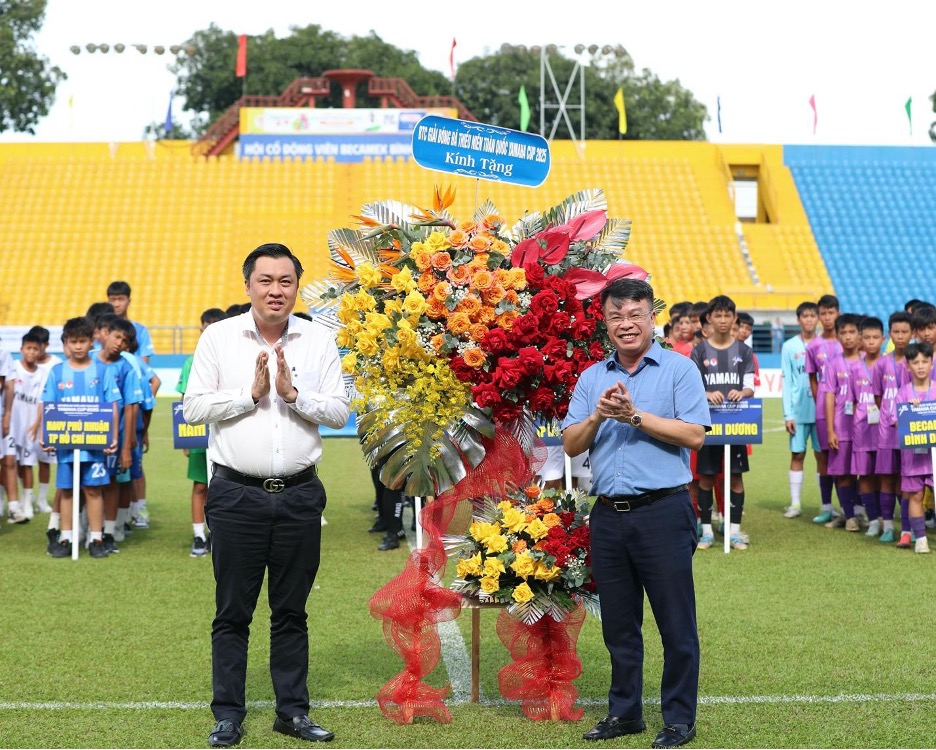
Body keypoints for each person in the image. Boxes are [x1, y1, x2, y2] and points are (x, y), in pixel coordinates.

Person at [183, 243, 350, 748]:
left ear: (297, 287)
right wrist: (249, 396)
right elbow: (192, 407)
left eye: (285, 281)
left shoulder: (318, 340)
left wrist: (295, 395)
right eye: (266, 280)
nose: (276, 290)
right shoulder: (219, 337)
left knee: (291, 611)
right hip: (236, 495)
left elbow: (341, 411)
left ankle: (291, 712)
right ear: (248, 285)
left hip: (300, 496)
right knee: (232, 611)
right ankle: (228, 714)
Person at [563, 278, 709, 750]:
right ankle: (625, 712)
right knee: (618, 623)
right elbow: (570, 444)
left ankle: (679, 719)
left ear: (652, 319)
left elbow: (694, 436)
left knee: (675, 621)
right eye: (615, 316)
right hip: (608, 516)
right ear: (604, 323)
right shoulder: (592, 378)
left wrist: (633, 416)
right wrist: (599, 416)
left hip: (663, 511)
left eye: (635, 314)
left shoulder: (679, 370)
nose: (626, 324)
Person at [33, 317, 119, 558]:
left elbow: (112, 404)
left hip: (94, 443)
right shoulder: (57, 371)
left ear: (92, 342)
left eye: (83, 341)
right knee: (67, 490)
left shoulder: (103, 371)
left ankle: (96, 538)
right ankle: (66, 538)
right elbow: (48, 404)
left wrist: (112, 435)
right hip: (65, 444)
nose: (78, 346)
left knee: (93, 490)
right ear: (65, 344)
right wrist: (44, 434)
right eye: (74, 341)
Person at [691, 295, 756, 551]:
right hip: (709, 425)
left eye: (727, 315)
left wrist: (743, 393)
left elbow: (750, 385)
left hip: (735, 424)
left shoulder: (744, 351)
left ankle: (735, 532)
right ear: (709, 319)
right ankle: (706, 532)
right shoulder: (699, 351)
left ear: (734, 318)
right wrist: (706, 394)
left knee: (736, 478)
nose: (722, 320)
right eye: (717, 315)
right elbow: (692, 386)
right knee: (706, 478)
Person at [176, 307, 226, 557]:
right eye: (206, 326)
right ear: (201, 329)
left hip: (226, 434)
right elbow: (185, 400)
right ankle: (198, 535)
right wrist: (186, 436)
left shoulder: (232, 357)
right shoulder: (191, 361)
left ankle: (221, 533)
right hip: (200, 433)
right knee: (199, 485)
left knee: (226, 486)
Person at [873, 312, 913, 543]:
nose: (900, 337)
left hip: (911, 430)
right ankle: (888, 526)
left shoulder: (919, 361)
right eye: (896, 332)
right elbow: (878, 397)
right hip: (887, 431)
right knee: (887, 478)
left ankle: (907, 528)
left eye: (904, 332)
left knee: (907, 480)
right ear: (889, 334)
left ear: (912, 333)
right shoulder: (882, 363)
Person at [780, 301, 820, 518]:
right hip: (798, 411)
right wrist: (788, 414)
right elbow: (786, 382)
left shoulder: (825, 345)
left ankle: (826, 506)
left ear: (818, 318)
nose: (809, 320)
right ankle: (795, 504)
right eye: (805, 316)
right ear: (798, 320)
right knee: (798, 454)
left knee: (823, 457)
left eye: (813, 316)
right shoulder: (789, 346)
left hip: (823, 411)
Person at [823, 313, 862, 531]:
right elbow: (829, 396)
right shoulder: (833, 364)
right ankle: (849, 516)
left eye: (852, 332)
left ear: (859, 334)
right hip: (842, 426)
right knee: (843, 472)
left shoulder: (868, 359)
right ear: (837, 335)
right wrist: (830, 429)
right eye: (843, 332)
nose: (847, 337)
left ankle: (861, 512)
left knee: (866, 473)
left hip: (867, 427)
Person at [805, 294, 842, 523]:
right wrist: (821, 400)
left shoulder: (848, 340)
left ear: (837, 313)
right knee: (823, 458)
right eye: (824, 313)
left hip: (848, 409)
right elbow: (812, 377)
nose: (827, 318)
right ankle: (827, 506)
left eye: (831, 312)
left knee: (849, 460)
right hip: (823, 410)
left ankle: (853, 508)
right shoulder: (814, 345)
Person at [6, 331, 50, 519]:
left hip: (29, 426)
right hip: (11, 424)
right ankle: (7, 501)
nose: (31, 352)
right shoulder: (14, 367)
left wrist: (36, 424)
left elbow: (42, 401)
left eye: (35, 349)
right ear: (21, 349)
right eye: (28, 348)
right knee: (8, 462)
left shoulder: (42, 374)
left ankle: (28, 503)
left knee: (27, 464)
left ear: (41, 351)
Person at [896, 341, 935, 553]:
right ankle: (920, 538)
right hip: (912, 458)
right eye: (915, 362)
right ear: (908, 366)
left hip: (934, 457)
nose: (920, 366)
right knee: (916, 496)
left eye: (925, 361)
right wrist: (909, 412)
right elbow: (895, 422)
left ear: (931, 363)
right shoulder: (903, 393)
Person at [849, 317, 884, 537]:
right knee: (865, 476)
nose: (871, 342)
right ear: (861, 339)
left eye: (875, 338)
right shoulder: (855, 368)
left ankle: (886, 518)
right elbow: (852, 402)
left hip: (885, 429)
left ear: (883, 338)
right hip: (862, 429)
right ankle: (872, 520)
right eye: (867, 338)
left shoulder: (891, 364)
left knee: (887, 475)